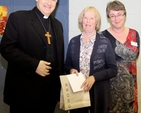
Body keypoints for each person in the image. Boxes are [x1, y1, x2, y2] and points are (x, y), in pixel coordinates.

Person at [0, 0, 64, 113]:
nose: (49, 3)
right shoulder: (18, 18)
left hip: (49, 95)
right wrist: (34, 65)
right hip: (24, 94)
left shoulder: (58, 25)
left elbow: (58, 59)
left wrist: (59, 90)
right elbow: (6, 48)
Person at [64, 6, 117, 113]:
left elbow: (113, 69)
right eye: (85, 18)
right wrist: (71, 70)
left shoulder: (105, 42)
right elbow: (67, 64)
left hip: (99, 92)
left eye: (92, 18)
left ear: (96, 23)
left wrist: (94, 77)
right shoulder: (73, 42)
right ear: (81, 21)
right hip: (77, 92)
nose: (88, 21)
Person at [101, 0, 140, 113]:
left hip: (131, 87)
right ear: (108, 17)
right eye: (112, 15)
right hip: (110, 87)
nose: (116, 19)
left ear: (125, 15)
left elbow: (135, 57)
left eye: (119, 14)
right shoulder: (102, 37)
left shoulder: (134, 34)